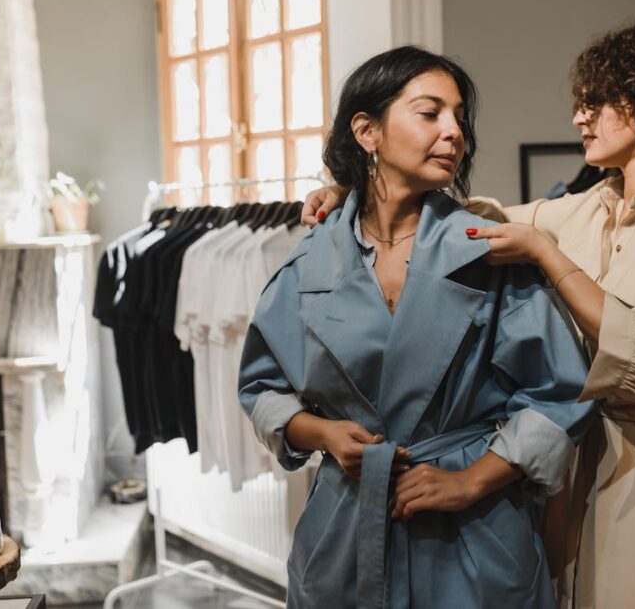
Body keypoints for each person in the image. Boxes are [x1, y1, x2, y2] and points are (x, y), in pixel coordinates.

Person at [302, 20, 635, 608]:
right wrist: (356, 190)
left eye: (595, 102)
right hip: (576, 471)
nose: (579, 118)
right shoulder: (591, 209)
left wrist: (547, 254)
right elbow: (472, 217)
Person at [238, 45, 593, 608]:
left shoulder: (489, 251)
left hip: (473, 533)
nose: (454, 132)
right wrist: (324, 433)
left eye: (459, 118)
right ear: (367, 130)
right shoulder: (309, 264)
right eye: (431, 113)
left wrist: (472, 480)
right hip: (346, 527)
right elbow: (262, 390)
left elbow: (559, 392)